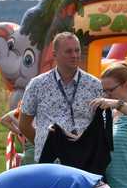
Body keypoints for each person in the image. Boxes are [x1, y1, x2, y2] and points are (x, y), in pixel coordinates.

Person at [18, 32, 105, 166]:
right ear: (54, 55)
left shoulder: (94, 85)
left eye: (77, 50)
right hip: (51, 162)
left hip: (84, 160)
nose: (75, 55)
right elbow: (24, 124)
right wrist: (45, 142)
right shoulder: (37, 84)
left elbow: (99, 125)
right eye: (68, 51)